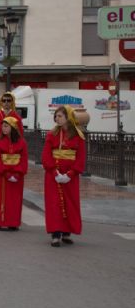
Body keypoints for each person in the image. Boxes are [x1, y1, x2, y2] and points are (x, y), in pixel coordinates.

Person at [41, 106, 86, 247]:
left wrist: (70, 174)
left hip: (70, 177)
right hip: (53, 175)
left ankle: (67, 232)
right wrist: (54, 172)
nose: (57, 118)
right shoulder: (51, 134)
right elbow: (46, 156)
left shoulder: (78, 136)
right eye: (56, 116)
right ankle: (55, 233)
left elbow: (81, 158)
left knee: (69, 203)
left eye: (60, 116)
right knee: (54, 204)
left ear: (68, 117)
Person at [0, 117, 28, 231]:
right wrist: (5, 172)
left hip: (17, 176)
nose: (3, 128)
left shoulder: (22, 142)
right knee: (0, 198)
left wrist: (17, 173)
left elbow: (24, 159)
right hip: (2, 175)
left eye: (6, 126)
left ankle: (13, 222)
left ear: (13, 127)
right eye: (2, 126)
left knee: (14, 200)